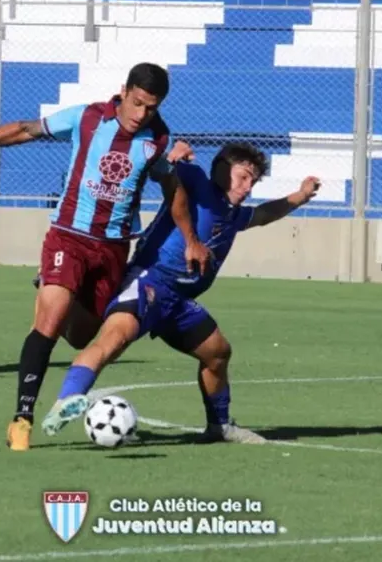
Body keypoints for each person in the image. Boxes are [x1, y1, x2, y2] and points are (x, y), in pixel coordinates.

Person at [0, 62, 210, 451]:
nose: (141, 115)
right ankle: (22, 419)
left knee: (81, 336)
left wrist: (190, 239)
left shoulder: (156, 139)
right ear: (124, 91)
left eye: (151, 108)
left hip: (112, 248)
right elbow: (26, 129)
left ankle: (57, 289)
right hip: (68, 236)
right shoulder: (87, 117)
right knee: (49, 322)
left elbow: (172, 189)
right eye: (137, 103)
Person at [40, 142, 321, 444]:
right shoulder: (199, 182)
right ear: (222, 168)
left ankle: (219, 427)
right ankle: (65, 401)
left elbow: (264, 214)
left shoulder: (233, 215)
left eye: (253, 180)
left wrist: (301, 196)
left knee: (218, 353)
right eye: (243, 176)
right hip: (149, 282)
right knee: (112, 342)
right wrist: (173, 156)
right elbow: (165, 171)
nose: (248, 186)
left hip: (177, 301)